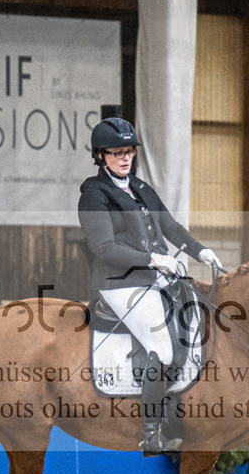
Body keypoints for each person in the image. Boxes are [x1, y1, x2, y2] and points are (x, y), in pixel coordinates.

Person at [78, 117, 223, 456]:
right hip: (119, 283)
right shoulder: (94, 195)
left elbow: (171, 228)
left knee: (194, 325)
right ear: (100, 156)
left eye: (129, 151)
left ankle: (177, 409)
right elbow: (104, 248)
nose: (125, 158)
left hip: (156, 279)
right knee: (164, 347)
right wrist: (155, 260)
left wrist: (200, 250)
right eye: (116, 153)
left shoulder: (141, 187)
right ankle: (151, 432)